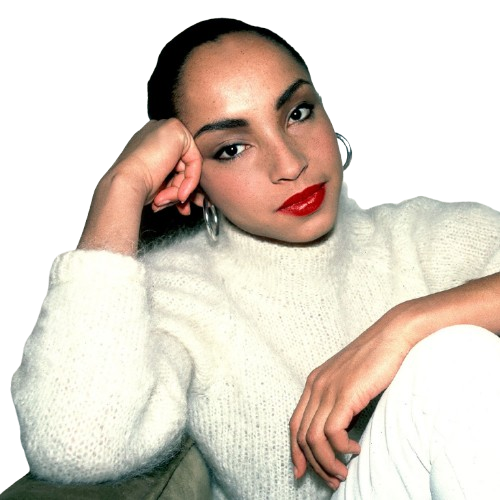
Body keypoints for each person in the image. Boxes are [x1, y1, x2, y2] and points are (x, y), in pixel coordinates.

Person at [9, 17, 500, 500]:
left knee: (449, 347)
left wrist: (405, 327)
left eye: (297, 113)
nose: (290, 163)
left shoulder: (420, 235)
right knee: (452, 357)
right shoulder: (173, 294)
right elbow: (75, 445)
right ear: (191, 180)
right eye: (232, 148)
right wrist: (120, 187)